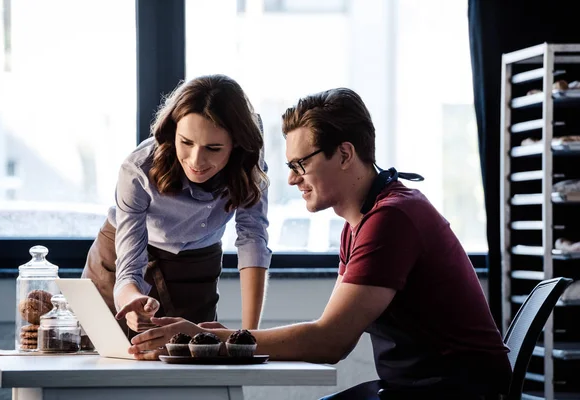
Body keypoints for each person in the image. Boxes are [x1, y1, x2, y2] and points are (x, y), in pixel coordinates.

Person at [126, 88, 512, 399]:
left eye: (300, 165)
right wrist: (227, 338)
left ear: (345, 154)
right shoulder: (362, 222)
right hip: (417, 390)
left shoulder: (391, 220)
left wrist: (213, 338)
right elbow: (327, 331)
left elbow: (329, 342)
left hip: (457, 394)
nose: (292, 180)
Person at [82, 74, 271, 336]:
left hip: (197, 263)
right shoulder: (138, 169)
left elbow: (252, 239)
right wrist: (130, 300)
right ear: (173, 132)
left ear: (236, 144)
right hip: (119, 256)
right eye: (186, 142)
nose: (196, 160)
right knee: (107, 360)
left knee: (197, 362)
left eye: (214, 148)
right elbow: (128, 269)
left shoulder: (249, 162)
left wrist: (251, 336)